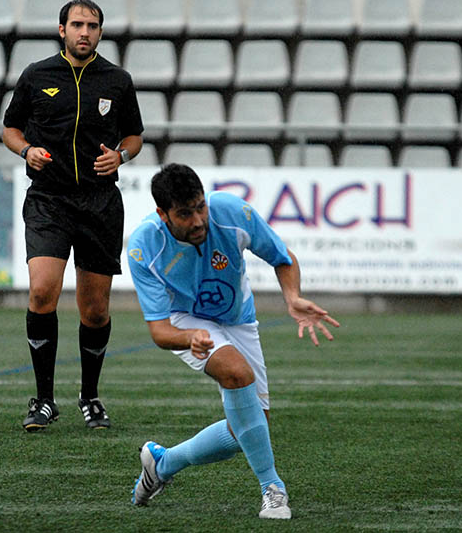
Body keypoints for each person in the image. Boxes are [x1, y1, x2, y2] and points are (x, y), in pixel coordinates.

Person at [125, 163, 340, 519]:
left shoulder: (232, 212)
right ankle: (273, 488)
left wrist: (292, 297)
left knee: (252, 427)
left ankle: (162, 464)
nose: (197, 220)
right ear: (163, 214)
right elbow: (159, 330)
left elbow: (281, 258)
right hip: (185, 320)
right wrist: (188, 336)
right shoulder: (144, 246)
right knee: (236, 373)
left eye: (200, 207)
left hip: (238, 317)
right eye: (184, 213)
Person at [2, 0, 144, 432]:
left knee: (95, 310)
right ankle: (44, 399)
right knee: (42, 291)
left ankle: (89, 396)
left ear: (101, 33)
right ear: (61, 29)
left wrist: (120, 156)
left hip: (100, 204)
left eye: (93, 25)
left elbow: (135, 135)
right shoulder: (36, 75)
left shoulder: (118, 81)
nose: (85, 32)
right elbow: (10, 129)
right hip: (49, 199)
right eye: (77, 24)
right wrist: (27, 150)